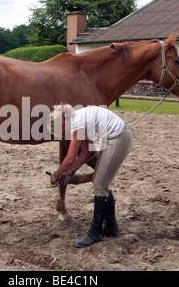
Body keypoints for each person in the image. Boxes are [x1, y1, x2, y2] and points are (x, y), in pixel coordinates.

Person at [49, 105, 133, 248]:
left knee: (99, 183)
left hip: (118, 139)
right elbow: (85, 154)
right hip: (116, 138)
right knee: (101, 182)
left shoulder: (76, 123)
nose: (62, 137)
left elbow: (70, 158)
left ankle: (95, 232)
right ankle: (111, 227)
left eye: (60, 133)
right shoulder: (76, 119)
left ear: (63, 124)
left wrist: (56, 175)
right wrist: (71, 172)